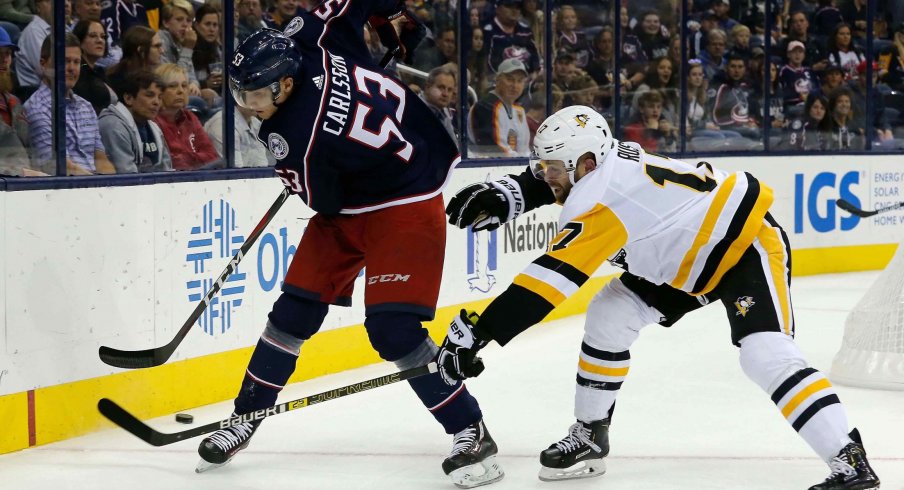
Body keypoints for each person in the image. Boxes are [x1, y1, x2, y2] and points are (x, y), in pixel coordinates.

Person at [438, 104, 882, 489]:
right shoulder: (601, 165)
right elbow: (548, 182)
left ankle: (848, 458)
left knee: (764, 354)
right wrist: (513, 193)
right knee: (610, 314)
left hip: (744, 246)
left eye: (555, 168)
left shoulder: (603, 200)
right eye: (546, 166)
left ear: (587, 165)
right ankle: (592, 432)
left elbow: (545, 285)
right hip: (682, 258)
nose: (547, 175)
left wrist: (479, 334)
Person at [196, 3, 503, 487]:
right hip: (358, 196)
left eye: (254, 94)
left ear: (286, 83)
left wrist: (307, 166)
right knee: (292, 314)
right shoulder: (307, 38)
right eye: (240, 91)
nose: (245, 103)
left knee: (394, 331)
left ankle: (470, 429)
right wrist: (391, 17)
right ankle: (246, 417)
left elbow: (325, 198)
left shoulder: (290, 134)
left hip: (405, 199)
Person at [24, 34, 115, 175]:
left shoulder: (86, 107)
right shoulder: (37, 109)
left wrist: (112, 188)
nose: (72, 68)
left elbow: (101, 160)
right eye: (64, 61)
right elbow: (61, 168)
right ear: (43, 64)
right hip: (62, 191)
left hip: (94, 188)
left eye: (77, 62)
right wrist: (99, 187)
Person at [98, 69, 172, 173]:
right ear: (129, 98)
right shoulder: (113, 126)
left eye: (159, 97)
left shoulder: (154, 128)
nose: (157, 102)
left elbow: (166, 170)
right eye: (150, 95)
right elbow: (126, 176)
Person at [152, 63, 219, 170]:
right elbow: (172, 162)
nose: (180, 91)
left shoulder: (190, 117)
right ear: (159, 91)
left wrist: (186, 158)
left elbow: (212, 156)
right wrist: (196, 158)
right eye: (172, 86)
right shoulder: (153, 123)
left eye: (184, 86)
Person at [468, 57, 530, 157]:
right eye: (510, 79)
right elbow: (495, 151)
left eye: (519, 81)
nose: (515, 85)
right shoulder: (486, 107)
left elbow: (524, 149)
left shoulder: (519, 110)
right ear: (497, 79)